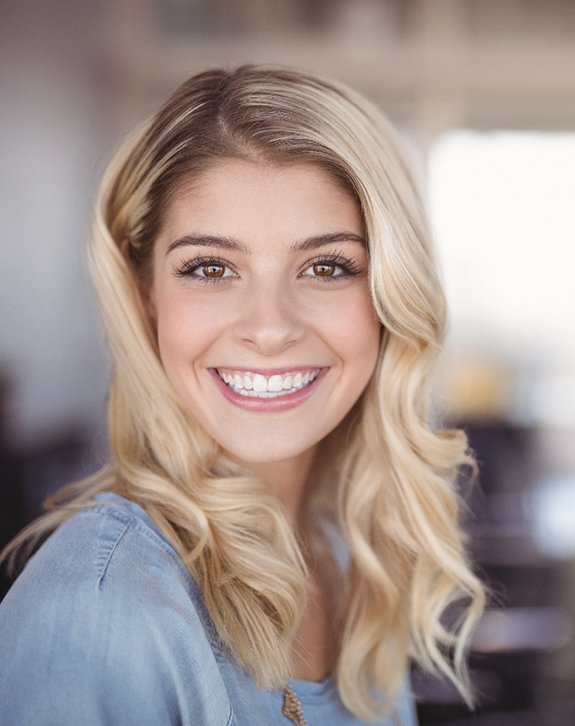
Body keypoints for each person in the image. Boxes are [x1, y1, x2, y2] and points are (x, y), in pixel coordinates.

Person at [0, 65, 484, 725]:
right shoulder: (100, 605)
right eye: (210, 268)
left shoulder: (345, 551)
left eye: (326, 267)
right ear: (145, 292)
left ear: (389, 294)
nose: (268, 328)